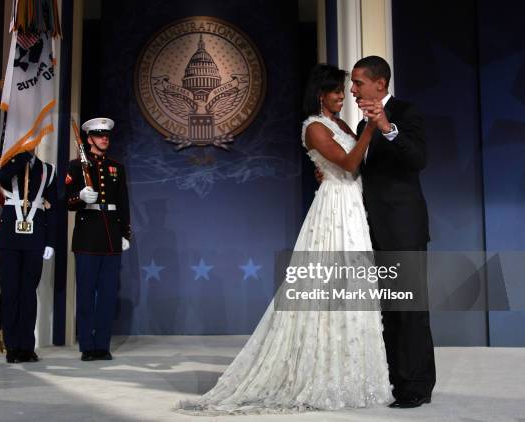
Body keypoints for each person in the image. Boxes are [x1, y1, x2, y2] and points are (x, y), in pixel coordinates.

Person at [176, 64, 392, 414]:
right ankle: (317, 372)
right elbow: (350, 165)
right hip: (333, 213)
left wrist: (362, 134)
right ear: (320, 93)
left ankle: (353, 372)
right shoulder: (315, 128)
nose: (342, 95)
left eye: (343, 89)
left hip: (352, 209)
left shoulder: (339, 124)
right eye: (336, 90)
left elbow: (355, 166)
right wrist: (369, 128)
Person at [346, 55, 435, 409]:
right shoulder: (361, 123)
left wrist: (387, 127)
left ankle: (417, 387)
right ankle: (398, 383)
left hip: (404, 229)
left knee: (410, 310)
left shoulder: (406, 113)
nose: (353, 89)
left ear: (379, 84)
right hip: (376, 230)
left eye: (358, 82)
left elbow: (417, 160)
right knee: (391, 310)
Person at [65, 117, 131, 361]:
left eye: (107, 135)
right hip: (87, 237)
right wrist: (80, 197)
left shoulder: (116, 167)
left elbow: (123, 203)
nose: (105, 138)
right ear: (89, 139)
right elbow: (67, 202)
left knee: (107, 294)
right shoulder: (76, 166)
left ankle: (102, 345)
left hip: (111, 236)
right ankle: (87, 345)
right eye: (100, 135)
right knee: (85, 294)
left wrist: (125, 233)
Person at [0, 150, 56, 363]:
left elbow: (52, 207)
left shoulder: (48, 170)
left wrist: (50, 241)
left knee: (29, 294)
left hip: (35, 236)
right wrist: (21, 158)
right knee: (11, 293)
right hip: (10, 237)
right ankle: (12, 347)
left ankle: (27, 347)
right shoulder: (8, 164)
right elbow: (3, 177)